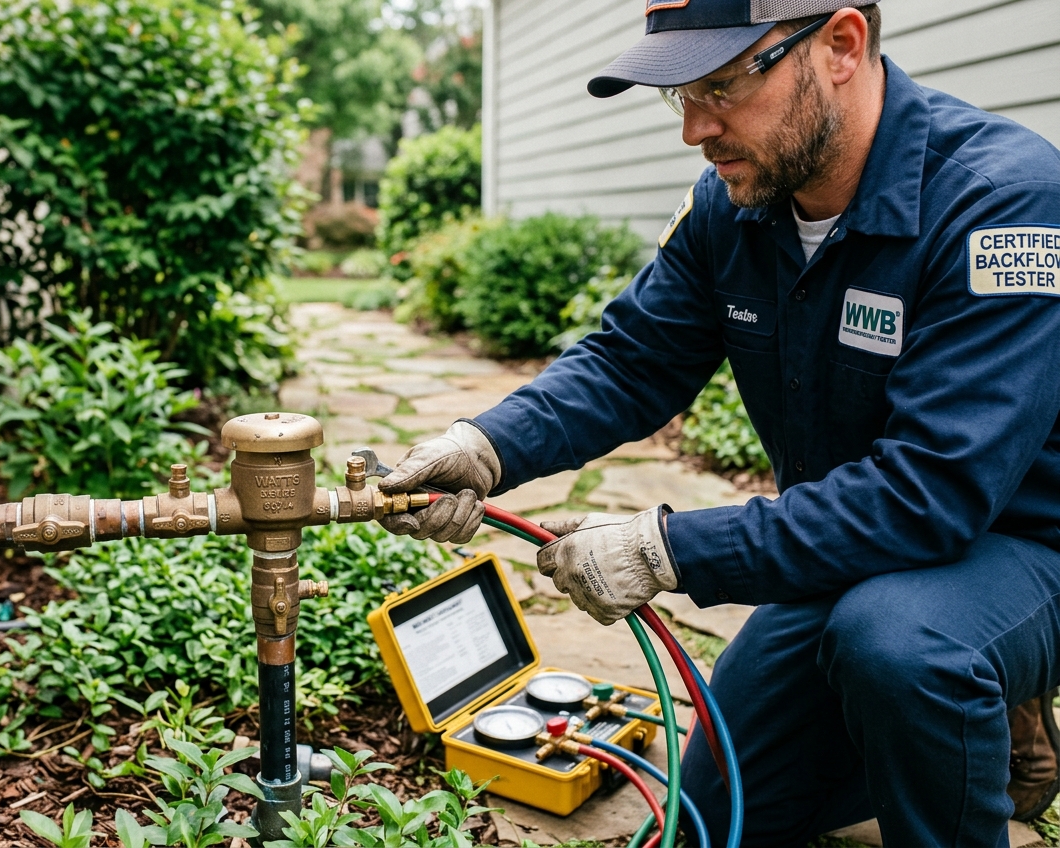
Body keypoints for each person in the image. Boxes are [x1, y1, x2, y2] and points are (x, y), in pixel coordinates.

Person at [376, 1, 1060, 845]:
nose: (695, 129)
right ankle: (958, 720)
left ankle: (970, 702)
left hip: (1016, 545)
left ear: (841, 45)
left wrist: (664, 549)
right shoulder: (734, 204)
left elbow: (931, 495)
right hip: (845, 551)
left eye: (721, 86)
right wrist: (483, 448)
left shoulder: (1004, 202)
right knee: (715, 815)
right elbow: (632, 359)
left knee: (897, 647)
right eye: (679, 95)